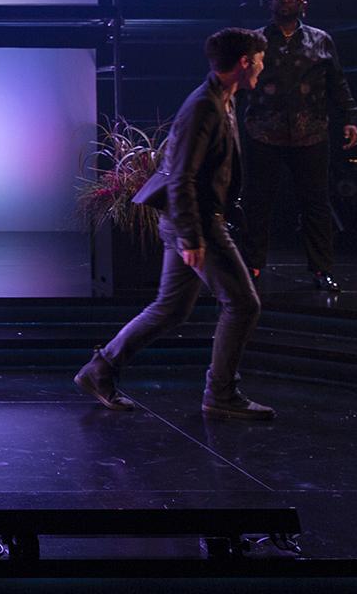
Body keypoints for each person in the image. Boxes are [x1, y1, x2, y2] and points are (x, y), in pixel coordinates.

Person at [75, 27, 274, 420]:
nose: (263, 68)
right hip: (197, 223)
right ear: (244, 62)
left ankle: (101, 369)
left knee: (171, 308)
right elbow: (181, 176)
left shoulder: (223, 100)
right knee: (243, 304)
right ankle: (221, 394)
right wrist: (191, 236)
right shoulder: (203, 106)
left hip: (193, 220)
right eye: (261, 61)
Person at [240, 0, 357, 294]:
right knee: (257, 201)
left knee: (316, 203)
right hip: (264, 131)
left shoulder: (321, 40)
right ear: (271, 1)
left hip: (310, 133)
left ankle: (321, 269)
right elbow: (239, 82)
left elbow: (337, 81)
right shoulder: (255, 40)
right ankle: (252, 265)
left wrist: (350, 117)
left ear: (304, 3)